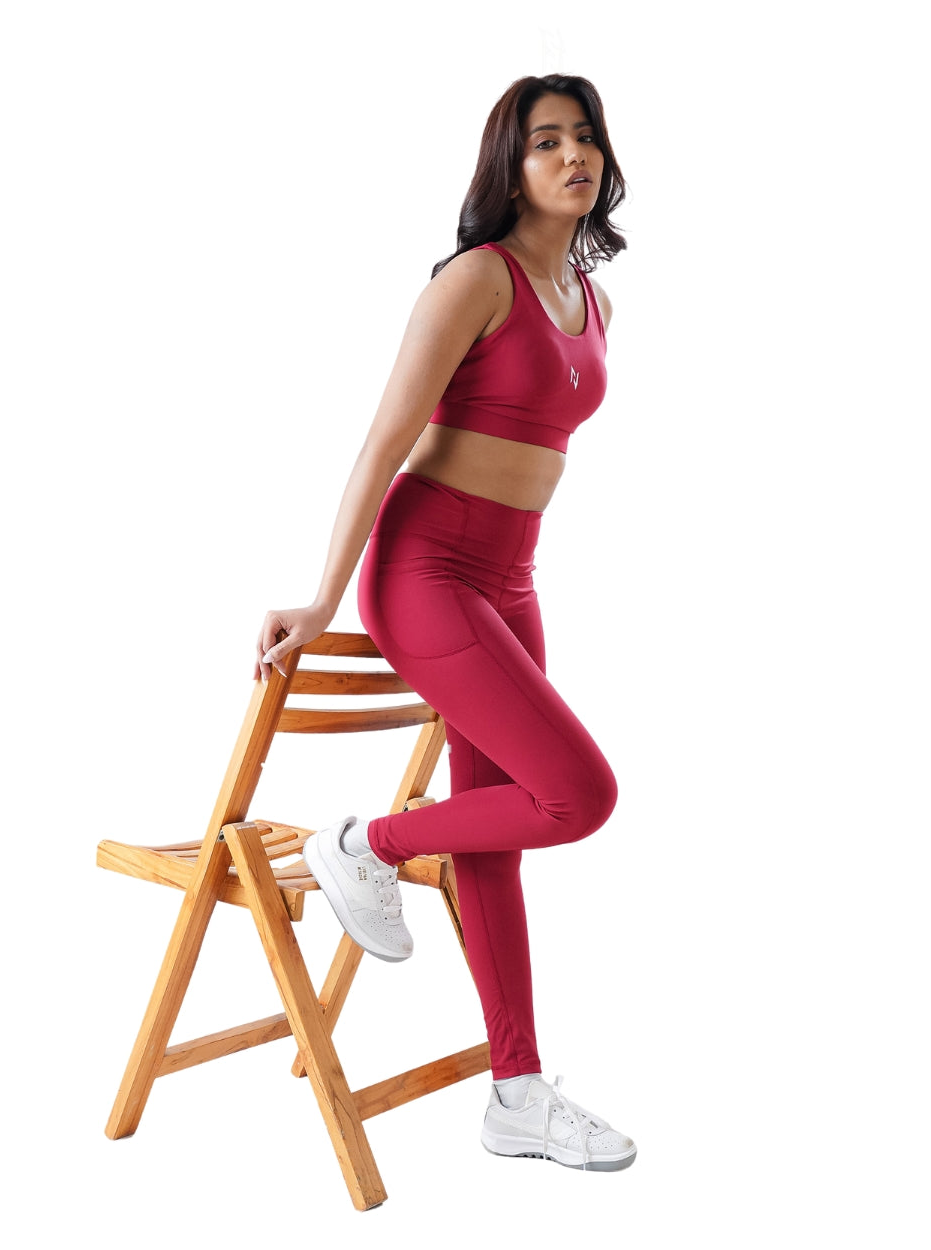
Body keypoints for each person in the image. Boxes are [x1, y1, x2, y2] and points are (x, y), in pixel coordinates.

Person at [256, 74, 636, 1173]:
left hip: (513, 580)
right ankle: (356, 843)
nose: (571, 157)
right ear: (506, 168)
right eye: (544, 142)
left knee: (501, 828)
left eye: (585, 139)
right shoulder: (477, 278)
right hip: (426, 570)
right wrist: (324, 596)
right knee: (578, 794)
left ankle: (514, 1091)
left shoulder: (595, 300)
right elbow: (382, 441)